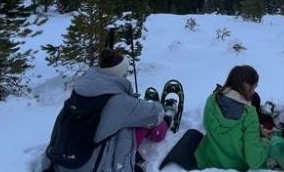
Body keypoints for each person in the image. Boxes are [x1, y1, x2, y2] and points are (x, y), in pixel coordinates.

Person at [42, 49, 175, 172]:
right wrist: (155, 106)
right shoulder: (118, 101)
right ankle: (168, 120)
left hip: (60, 164)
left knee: (119, 123)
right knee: (136, 122)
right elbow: (155, 114)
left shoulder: (78, 92)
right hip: (94, 168)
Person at [195, 65, 272, 171]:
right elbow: (254, 160)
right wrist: (266, 143)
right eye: (254, 87)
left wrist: (258, 129)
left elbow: (229, 131)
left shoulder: (211, 100)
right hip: (234, 167)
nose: (253, 92)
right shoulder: (249, 114)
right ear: (245, 86)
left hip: (207, 161)